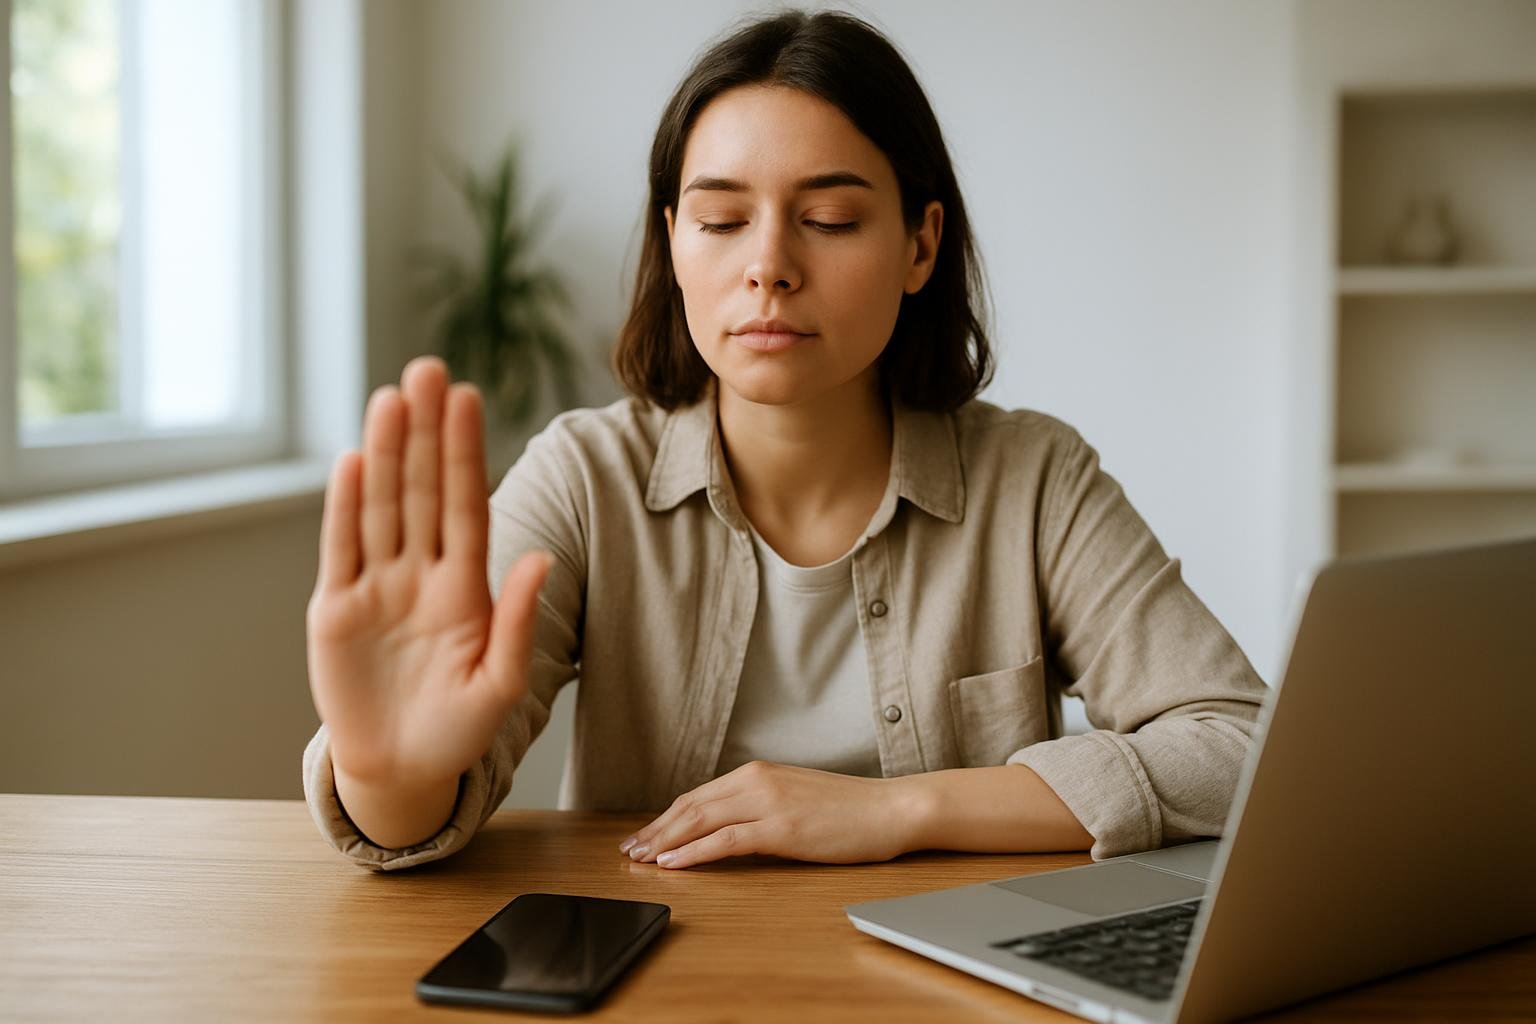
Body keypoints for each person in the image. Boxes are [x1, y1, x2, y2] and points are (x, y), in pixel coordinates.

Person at [302, 8, 1268, 873]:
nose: (768, 266)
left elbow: (1238, 743)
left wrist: (898, 812)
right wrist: (389, 771)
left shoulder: (1037, 480)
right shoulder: (583, 478)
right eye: (722, 219)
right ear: (675, 240)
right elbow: (413, 807)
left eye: (829, 219)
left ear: (920, 245)